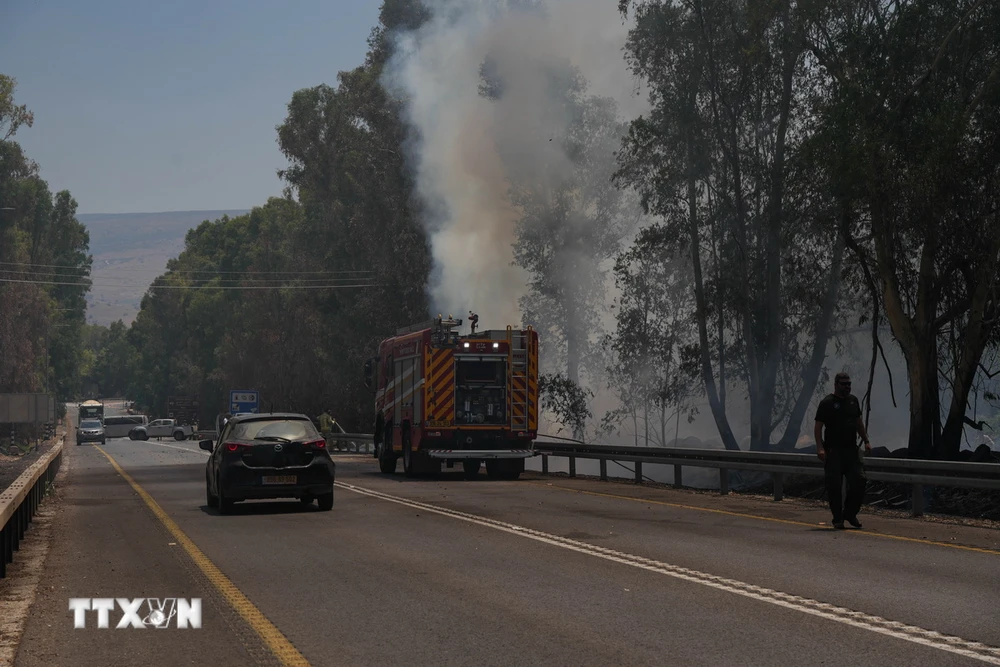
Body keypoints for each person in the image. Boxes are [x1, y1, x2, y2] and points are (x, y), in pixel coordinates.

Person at [814, 372, 872, 530]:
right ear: (836, 385)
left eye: (849, 384)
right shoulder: (827, 402)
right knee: (834, 486)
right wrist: (820, 447)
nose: (847, 387)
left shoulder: (853, 401)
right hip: (833, 451)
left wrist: (866, 441)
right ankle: (837, 518)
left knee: (860, 480)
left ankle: (850, 513)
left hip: (851, 451)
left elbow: (858, 423)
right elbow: (818, 426)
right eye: (843, 384)